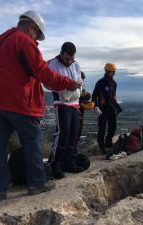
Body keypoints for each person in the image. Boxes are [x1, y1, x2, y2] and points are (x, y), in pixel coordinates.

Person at [0, 10, 81, 201]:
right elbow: (43, 73)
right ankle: (36, 184)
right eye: (38, 36)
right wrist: (69, 83)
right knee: (31, 141)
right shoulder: (24, 42)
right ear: (32, 28)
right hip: (18, 102)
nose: (37, 41)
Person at [48, 42, 84, 179]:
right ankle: (54, 164)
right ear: (61, 53)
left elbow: (80, 79)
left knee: (74, 134)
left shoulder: (76, 64)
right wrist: (68, 84)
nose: (69, 62)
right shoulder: (53, 65)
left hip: (74, 103)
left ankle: (68, 162)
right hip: (61, 102)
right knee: (63, 134)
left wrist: (79, 85)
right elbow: (49, 83)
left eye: (71, 59)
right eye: (67, 59)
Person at [92, 63, 122, 153]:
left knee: (113, 127)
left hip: (111, 108)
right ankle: (101, 146)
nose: (113, 74)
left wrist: (117, 106)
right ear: (106, 71)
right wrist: (96, 107)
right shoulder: (100, 82)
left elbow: (113, 96)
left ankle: (108, 142)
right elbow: (94, 96)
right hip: (102, 109)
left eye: (114, 72)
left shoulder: (114, 83)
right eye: (112, 72)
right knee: (102, 128)